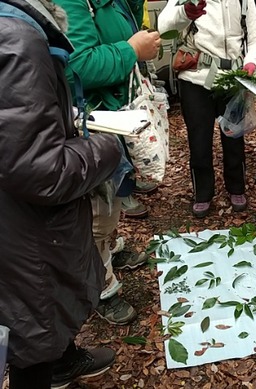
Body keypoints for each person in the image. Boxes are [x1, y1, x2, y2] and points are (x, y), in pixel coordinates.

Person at [0, 0, 123, 387]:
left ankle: (63, 360)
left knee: (38, 317)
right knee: (32, 328)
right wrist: (109, 147)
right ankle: (49, 369)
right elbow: (41, 170)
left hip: (17, 219)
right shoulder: (17, 38)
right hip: (24, 227)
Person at [53, 0, 161, 324]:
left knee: (114, 195)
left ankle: (109, 250)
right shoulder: (70, 2)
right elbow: (77, 65)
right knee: (98, 211)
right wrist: (130, 51)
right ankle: (102, 287)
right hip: (92, 124)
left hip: (114, 116)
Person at [157, 0, 256, 218]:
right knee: (199, 139)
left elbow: (254, 40)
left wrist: (252, 62)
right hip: (195, 78)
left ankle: (236, 187)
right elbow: (164, 26)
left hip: (232, 78)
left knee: (234, 137)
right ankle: (203, 193)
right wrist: (184, 13)